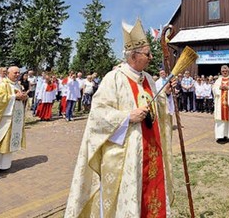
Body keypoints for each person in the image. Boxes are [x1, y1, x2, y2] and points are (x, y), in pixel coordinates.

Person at [65, 18, 174, 217]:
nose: (150, 57)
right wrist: (127, 116)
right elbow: (97, 116)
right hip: (127, 156)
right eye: (147, 54)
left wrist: (164, 95)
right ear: (134, 55)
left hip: (151, 148)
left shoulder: (149, 79)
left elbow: (156, 109)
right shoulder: (113, 79)